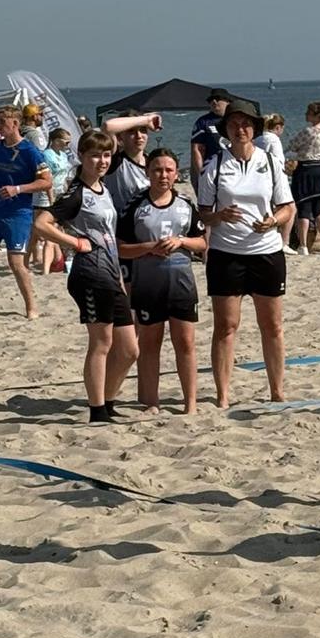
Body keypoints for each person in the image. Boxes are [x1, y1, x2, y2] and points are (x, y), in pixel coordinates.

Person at [33, 129, 138, 422]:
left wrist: (119, 276)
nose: (101, 161)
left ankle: (108, 399)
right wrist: (75, 243)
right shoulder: (76, 192)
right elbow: (42, 223)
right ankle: (97, 410)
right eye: (94, 156)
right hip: (89, 272)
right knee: (101, 342)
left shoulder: (103, 188)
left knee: (129, 349)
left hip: (111, 272)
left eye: (105, 155)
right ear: (81, 156)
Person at [196, 94, 294, 407]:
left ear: (255, 128)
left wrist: (273, 221)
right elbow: (203, 214)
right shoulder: (215, 165)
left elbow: (287, 207)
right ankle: (223, 395)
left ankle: (277, 391)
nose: (240, 129)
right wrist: (219, 216)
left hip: (266, 251)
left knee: (272, 325)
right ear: (226, 129)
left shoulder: (269, 162)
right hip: (226, 253)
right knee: (226, 326)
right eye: (234, 124)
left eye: (246, 124)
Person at [116, 146, 207, 412]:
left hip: (181, 283)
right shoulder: (135, 206)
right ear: (147, 172)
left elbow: (202, 243)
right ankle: (150, 401)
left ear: (176, 173)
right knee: (149, 343)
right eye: (157, 170)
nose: (163, 175)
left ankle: (190, 403)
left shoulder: (186, 205)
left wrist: (181, 241)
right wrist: (149, 247)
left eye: (169, 170)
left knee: (185, 342)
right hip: (148, 284)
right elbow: (120, 248)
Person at [0, 104, 51, 318]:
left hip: (18, 213)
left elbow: (46, 182)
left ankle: (31, 307)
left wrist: (18, 189)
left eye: (2, 122)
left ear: (15, 123)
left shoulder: (30, 151)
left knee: (16, 263)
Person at [287, 101, 320, 255]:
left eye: (308, 113)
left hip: (307, 168)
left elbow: (293, 145)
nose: (306, 115)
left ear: (316, 115)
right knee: (319, 208)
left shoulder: (308, 131)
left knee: (304, 207)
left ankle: (303, 244)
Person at [102, 113, 162, 215]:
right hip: (121, 222)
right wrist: (145, 120)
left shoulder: (153, 162)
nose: (139, 136)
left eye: (143, 130)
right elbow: (107, 127)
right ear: (120, 137)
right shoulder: (115, 160)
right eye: (131, 131)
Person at [35, 126, 75, 273]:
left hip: (60, 192)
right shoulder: (46, 155)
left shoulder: (63, 155)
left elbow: (65, 176)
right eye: (66, 142)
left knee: (57, 230)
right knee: (46, 232)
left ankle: (57, 261)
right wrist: (51, 199)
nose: (68, 145)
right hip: (46, 195)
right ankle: (45, 269)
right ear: (56, 141)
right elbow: (47, 178)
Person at [191, 89, 230, 179]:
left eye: (218, 98)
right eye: (210, 100)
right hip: (213, 169)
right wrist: (201, 174)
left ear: (227, 101)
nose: (214, 101)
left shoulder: (235, 119)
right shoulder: (203, 122)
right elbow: (197, 149)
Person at [260, 113, 286, 183]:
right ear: (278, 127)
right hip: (272, 177)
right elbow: (279, 161)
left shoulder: (257, 139)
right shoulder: (274, 140)